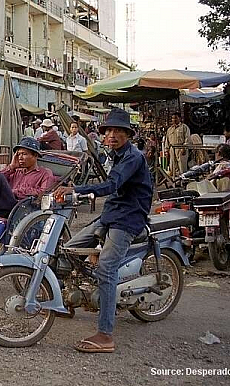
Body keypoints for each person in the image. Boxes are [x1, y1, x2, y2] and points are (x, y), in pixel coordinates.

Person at [54, 108, 153, 354]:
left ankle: (105, 334)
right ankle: (71, 299)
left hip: (128, 218)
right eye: (108, 130)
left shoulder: (133, 157)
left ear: (128, 134)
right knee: (69, 249)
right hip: (111, 215)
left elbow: (111, 185)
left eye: (118, 130)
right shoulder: (115, 155)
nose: (112, 135)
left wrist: (76, 190)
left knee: (106, 267)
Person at [163, 112, 191, 178]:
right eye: (172, 118)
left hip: (181, 148)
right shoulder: (169, 129)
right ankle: (175, 182)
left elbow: (187, 138)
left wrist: (184, 148)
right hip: (172, 148)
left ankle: (183, 182)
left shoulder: (184, 127)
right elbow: (167, 140)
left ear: (179, 118)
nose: (174, 119)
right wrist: (166, 150)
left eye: (176, 118)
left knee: (182, 166)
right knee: (173, 166)